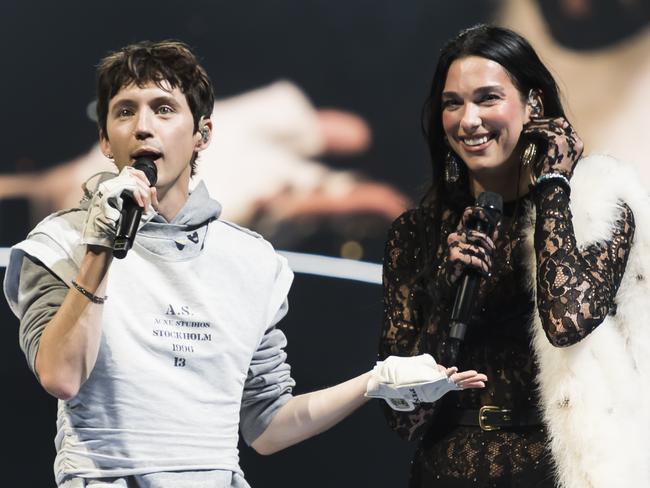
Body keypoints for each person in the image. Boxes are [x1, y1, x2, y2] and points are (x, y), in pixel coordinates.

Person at [3, 40, 486, 488]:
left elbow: (266, 428)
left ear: (201, 135)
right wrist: (101, 248)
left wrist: (375, 382)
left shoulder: (251, 261)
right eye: (125, 112)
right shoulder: (60, 242)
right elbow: (60, 377)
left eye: (164, 109)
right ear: (106, 141)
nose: (143, 126)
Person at [379, 24, 650, 488]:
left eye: (487, 98)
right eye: (452, 103)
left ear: (534, 105)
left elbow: (565, 323)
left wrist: (552, 188)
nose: (468, 120)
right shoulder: (417, 232)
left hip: (563, 466)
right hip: (449, 469)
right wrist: (444, 294)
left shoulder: (599, 204)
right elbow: (403, 418)